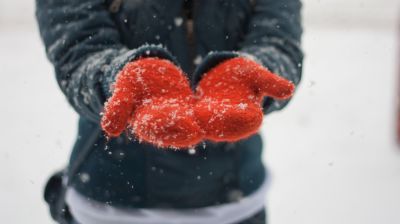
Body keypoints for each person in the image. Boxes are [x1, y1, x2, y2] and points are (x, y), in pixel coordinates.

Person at [36, 0, 303, 223]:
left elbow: (277, 41)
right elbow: (78, 49)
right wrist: (118, 78)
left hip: (236, 204)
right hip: (110, 204)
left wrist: (259, 69)